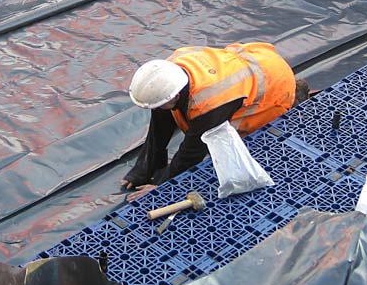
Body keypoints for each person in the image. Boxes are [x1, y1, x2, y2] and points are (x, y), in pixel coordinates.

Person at [121, 43, 312, 200]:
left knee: (235, 137)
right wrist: (143, 169)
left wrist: (160, 186)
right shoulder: (169, 71)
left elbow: (191, 153)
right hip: (254, 60)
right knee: (175, 113)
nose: (157, 109)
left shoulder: (211, 101)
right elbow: (160, 124)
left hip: (275, 81)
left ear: (177, 94)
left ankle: (295, 94)